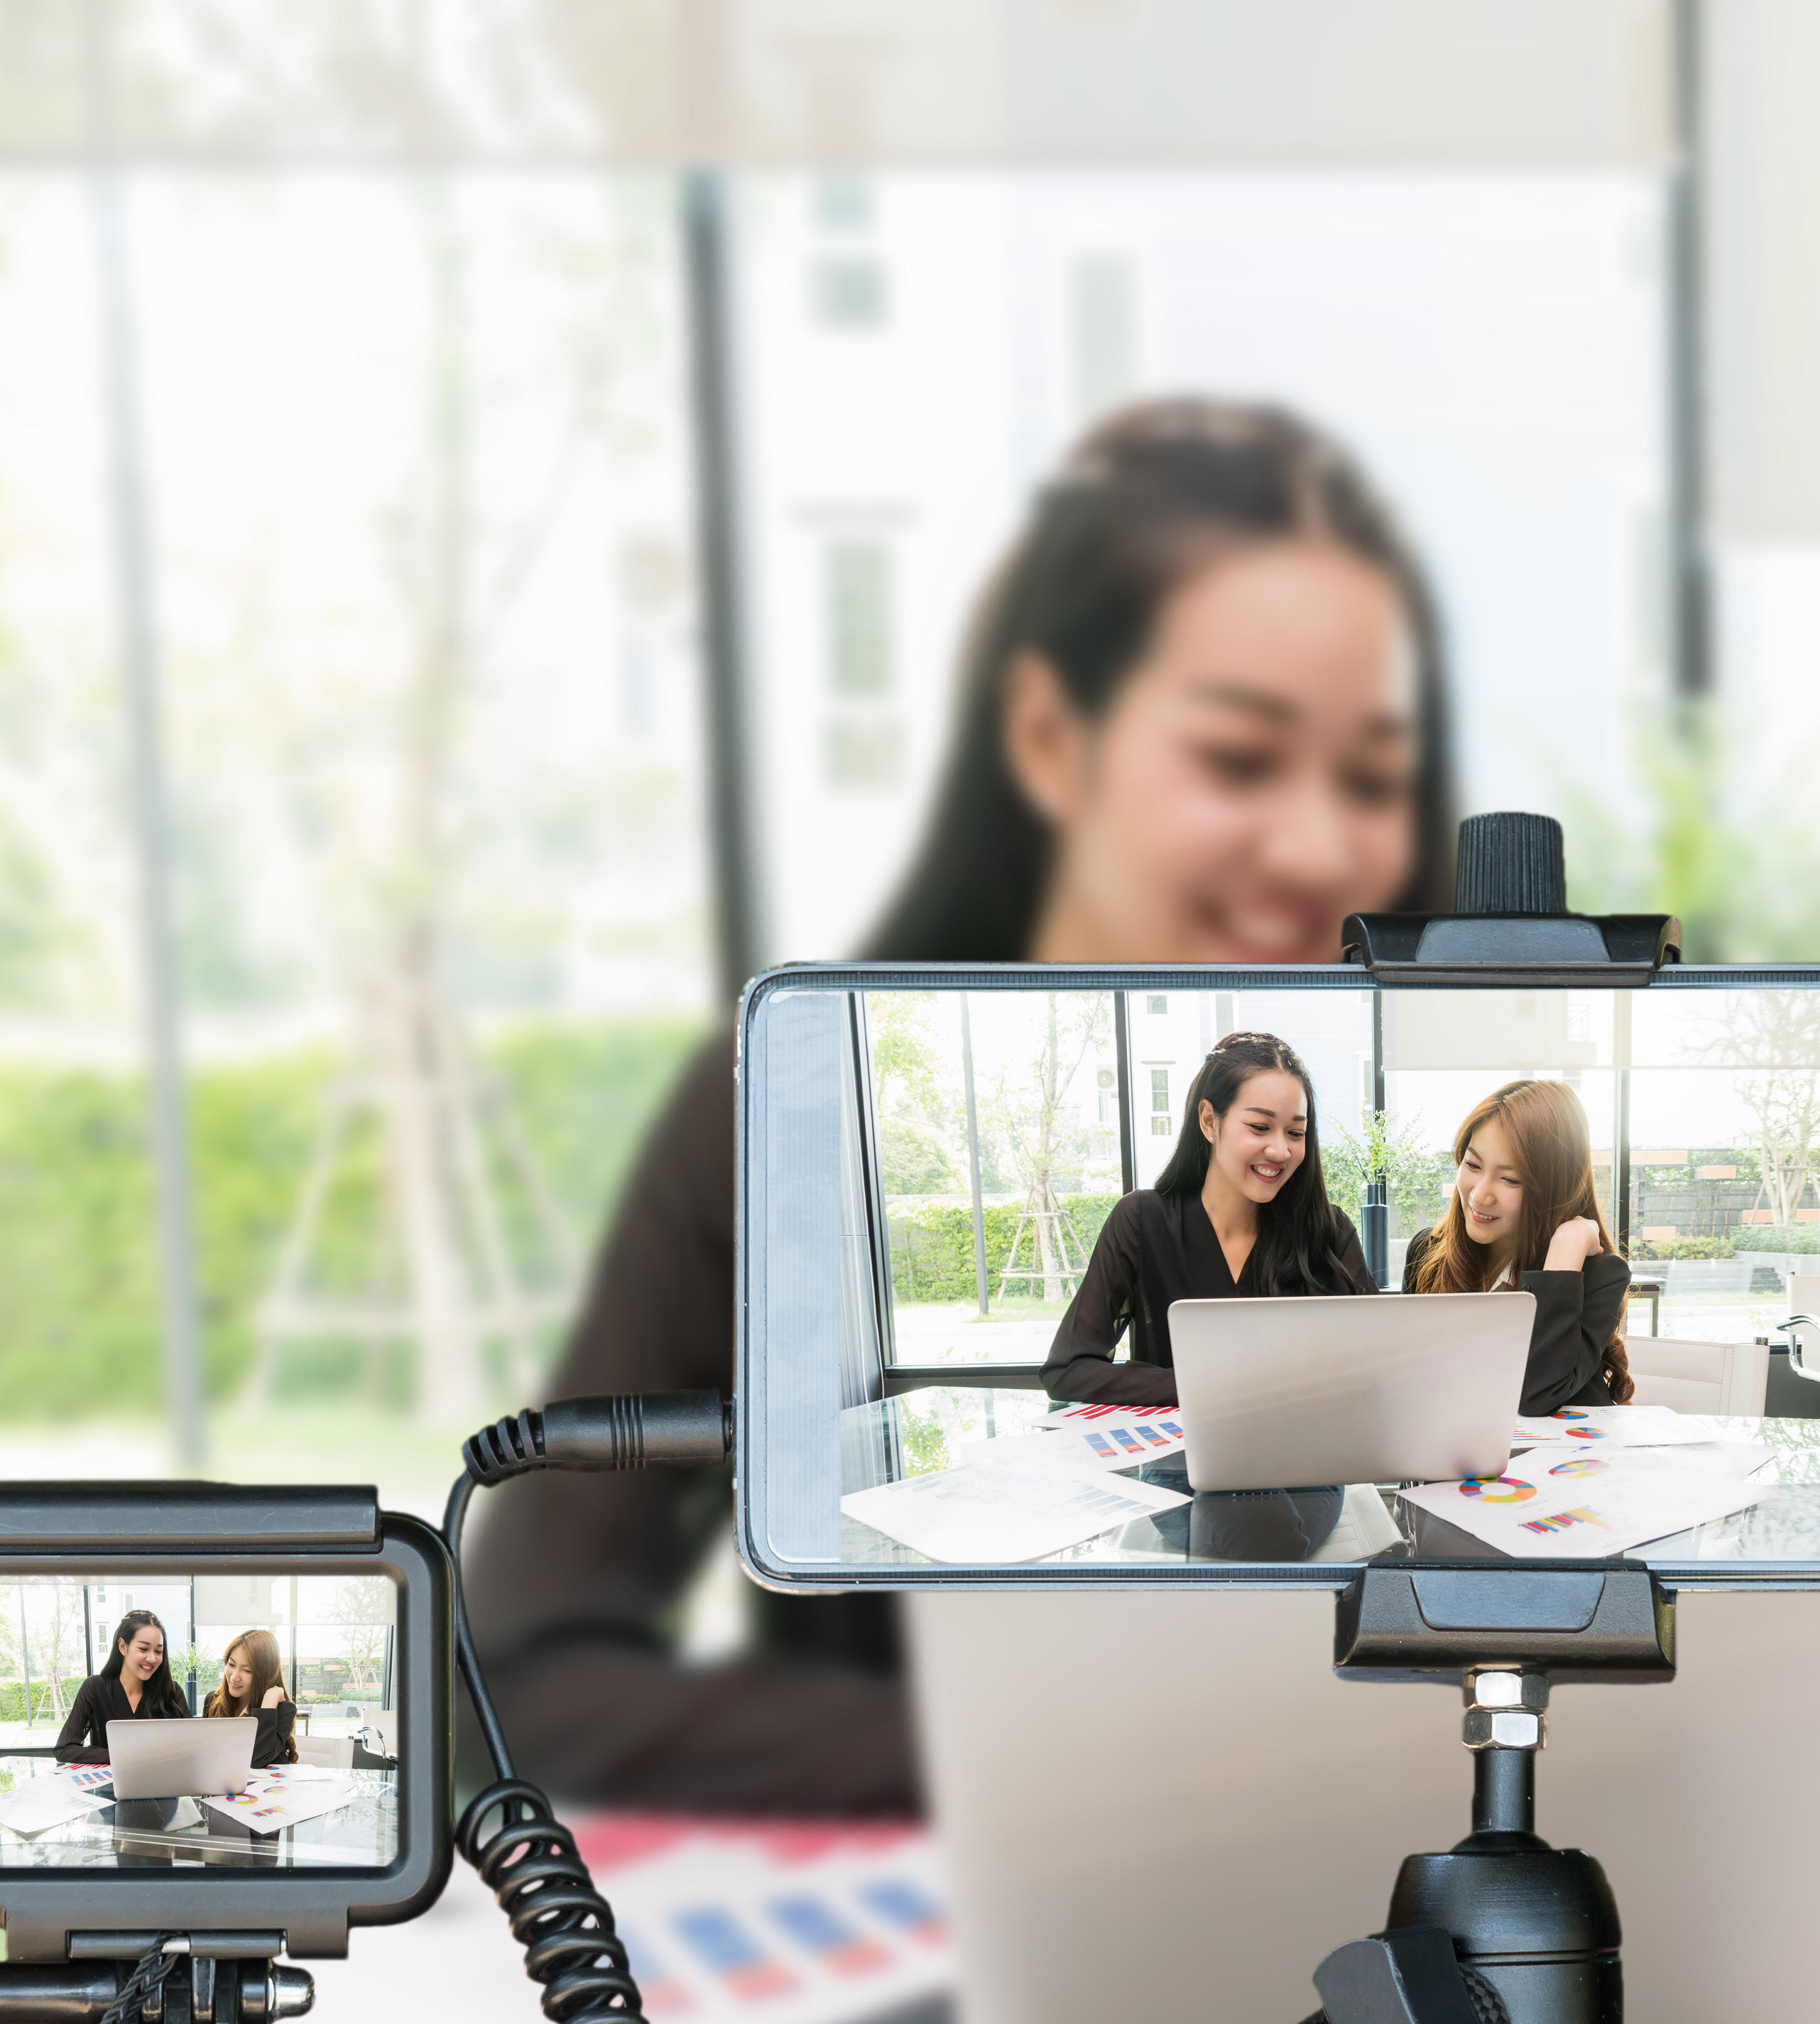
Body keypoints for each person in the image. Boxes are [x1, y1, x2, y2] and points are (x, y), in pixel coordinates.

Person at [460, 400, 1455, 1810]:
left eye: (1372, 775)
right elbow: (525, 1674)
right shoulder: (770, 1110)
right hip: (974, 1846)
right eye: (1237, 757)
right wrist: (1065, 1772)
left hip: (1369, 1788)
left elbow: (1379, 1396)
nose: (1320, 843)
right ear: (1051, 736)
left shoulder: (1323, 1229)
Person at [1041, 1030, 1373, 1404]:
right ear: (1209, 1122)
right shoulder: (1140, 1221)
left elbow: (1377, 1367)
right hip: (1175, 1459)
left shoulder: (1328, 1233)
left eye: (1296, 1132)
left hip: (1302, 1457)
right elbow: (1068, 1370)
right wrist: (1204, 1388)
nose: (1281, 1150)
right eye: (1260, 1127)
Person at [1402, 1077, 1632, 1413]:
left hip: (1565, 1462)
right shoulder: (1428, 1253)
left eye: (1510, 1179)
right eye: (1473, 1164)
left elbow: (1535, 1394)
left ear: (1555, 1189)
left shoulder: (1598, 1276)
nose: (1480, 1195)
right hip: (1458, 1458)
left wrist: (1564, 1255)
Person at [53, 1609, 190, 1762]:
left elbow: (192, 1747)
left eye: (158, 1651)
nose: (152, 1658)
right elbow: (64, 1749)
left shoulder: (172, 1692)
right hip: (109, 1785)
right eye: (143, 1649)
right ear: (123, 1647)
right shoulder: (94, 1688)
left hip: (162, 1784)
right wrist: (121, 1757)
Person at [203, 1626, 298, 1770]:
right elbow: (206, 1758)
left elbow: (258, 1760)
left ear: (265, 1675)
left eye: (247, 1670)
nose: (235, 1677)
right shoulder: (213, 1701)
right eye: (231, 1664)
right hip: (224, 1790)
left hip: (267, 1790)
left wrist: (269, 1702)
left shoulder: (283, 1710)